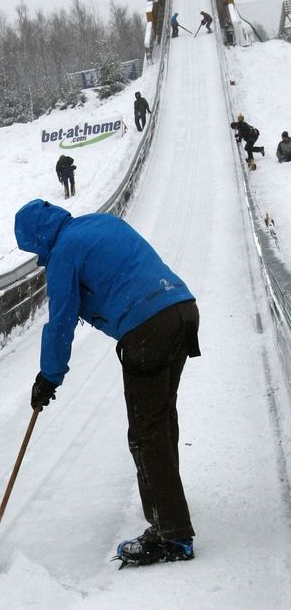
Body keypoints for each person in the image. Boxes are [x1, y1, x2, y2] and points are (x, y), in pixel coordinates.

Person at [14, 199, 200, 568]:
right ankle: (170, 508)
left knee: (145, 433)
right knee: (161, 420)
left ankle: (172, 535)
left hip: (147, 327)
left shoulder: (63, 253)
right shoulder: (97, 223)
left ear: (38, 239)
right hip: (182, 308)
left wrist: (49, 377)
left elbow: (62, 318)